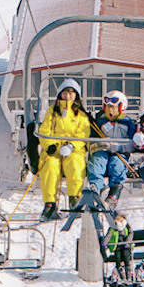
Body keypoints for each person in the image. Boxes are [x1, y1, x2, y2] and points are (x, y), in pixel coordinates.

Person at [37, 80, 93, 221]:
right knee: (50, 165)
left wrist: (72, 146)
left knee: (75, 164)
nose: (68, 96)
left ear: (76, 96)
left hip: (73, 150)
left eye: (71, 93)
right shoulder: (52, 112)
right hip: (54, 149)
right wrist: (50, 145)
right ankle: (50, 204)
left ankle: (75, 200)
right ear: (60, 94)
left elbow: (83, 133)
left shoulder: (80, 115)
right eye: (65, 93)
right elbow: (44, 130)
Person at [87, 91, 137, 202]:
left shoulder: (127, 123)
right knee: (97, 162)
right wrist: (100, 143)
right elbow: (92, 139)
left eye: (113, 108)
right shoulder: (100, 121)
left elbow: (133, 144)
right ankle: (96, 187)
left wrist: (119, 147)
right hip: (103, 150)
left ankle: (113, 193)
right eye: (108, 107)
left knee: (117, 164)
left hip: (119, 153)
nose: (110, 111)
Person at [107, 211, 135, 283]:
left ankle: (128, 274)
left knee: (126, 255)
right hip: (118, 245)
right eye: (118, 218)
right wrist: (105, 243)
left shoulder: (126, 225)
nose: (119, 220)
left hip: (126, 244)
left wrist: (127, 242)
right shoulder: (113, 227)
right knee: (118, 257)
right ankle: (122, 275)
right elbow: (109, 235)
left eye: (121, 218)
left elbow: (130, 234)